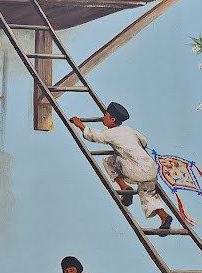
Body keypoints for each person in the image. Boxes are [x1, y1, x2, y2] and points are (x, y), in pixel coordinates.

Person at [70, 101, 173, 235]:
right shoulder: (129, 130)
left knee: (109, 161)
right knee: (148, 193)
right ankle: (164, 217)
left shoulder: (112, 133)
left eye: (105, 115)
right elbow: (144, 141)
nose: (103, 117)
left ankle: (124, 187)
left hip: (136, 170)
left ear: (112, 120)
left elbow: (95, 136)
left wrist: (80, 125)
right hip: (151, 169)